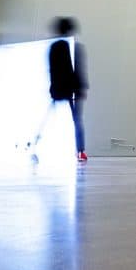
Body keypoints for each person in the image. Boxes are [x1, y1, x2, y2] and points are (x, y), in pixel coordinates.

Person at [49, 17, 88, 163]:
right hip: (72, 90)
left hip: (63, 89)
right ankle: (80, 151)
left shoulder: (56, 47)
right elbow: (77, 69)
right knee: (77, 120)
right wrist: (81, 88)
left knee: (52, 118)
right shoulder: (74, 47)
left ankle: (80, 150)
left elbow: (53, 71)